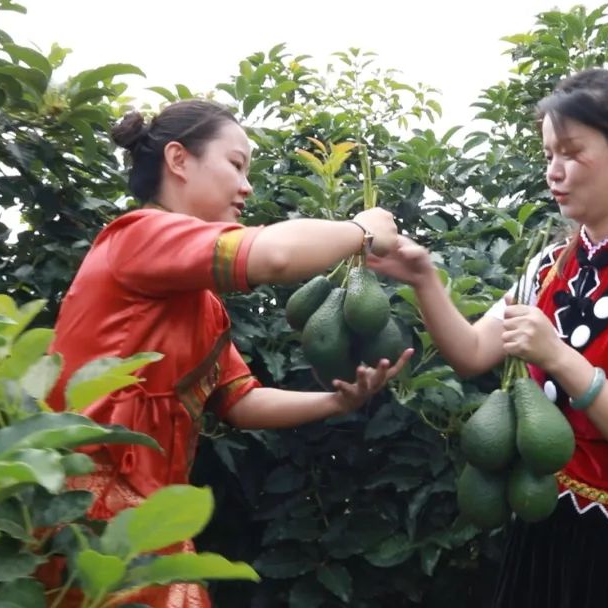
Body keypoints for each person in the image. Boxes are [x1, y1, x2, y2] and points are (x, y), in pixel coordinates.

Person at [369, 61, 608, 607]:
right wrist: (424, 279)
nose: (555, 171)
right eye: (549, 155)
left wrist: (559, 357)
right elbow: (473, 352)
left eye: (571, 152)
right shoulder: (550, 267)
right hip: (552, 524)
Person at [39, 99, 413, 607]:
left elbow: (239, 401)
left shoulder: (202, 303)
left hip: (148, 518)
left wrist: (337, 402)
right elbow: (276, 255)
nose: (247, 186)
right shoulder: (139, 236)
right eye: (236, 165)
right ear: (178, 160)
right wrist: (362, 231)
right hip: (94, 514)